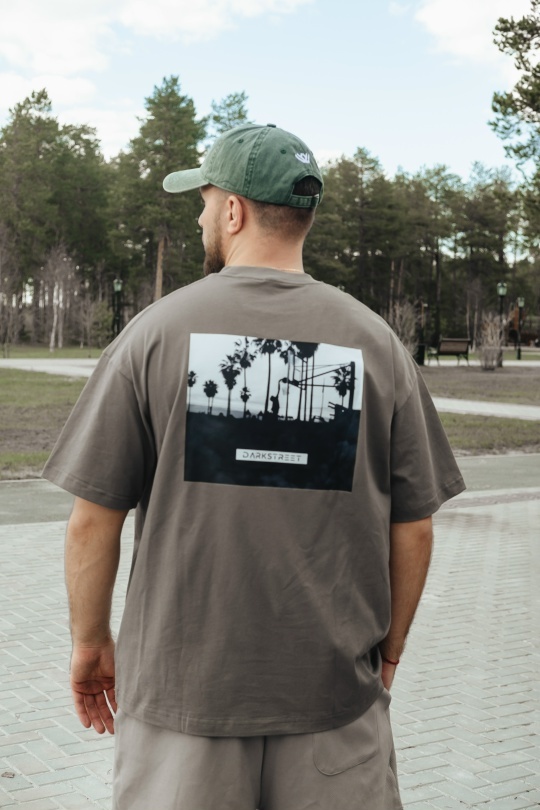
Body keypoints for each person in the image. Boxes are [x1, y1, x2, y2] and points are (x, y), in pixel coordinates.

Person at [43, 123, 466, 810]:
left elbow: (93, 520)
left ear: (234, 211)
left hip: (184, 702)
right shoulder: (377, 344)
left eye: (205, 202)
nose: (201, 219)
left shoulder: (154, 334)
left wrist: (90, 643)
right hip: (335, 701)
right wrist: (388, 653)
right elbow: (414, 526)